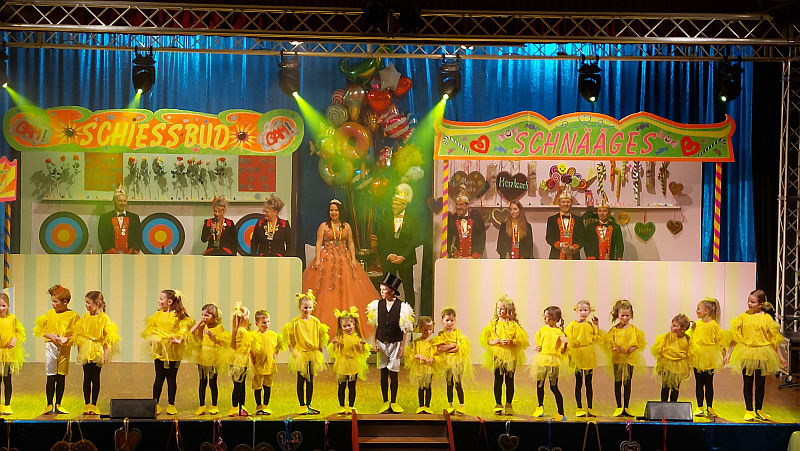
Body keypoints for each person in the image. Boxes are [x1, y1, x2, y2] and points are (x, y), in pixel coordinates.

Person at [302, 199, 378, 335]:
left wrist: (353, 259)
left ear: (340, 211)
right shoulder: (324, 226)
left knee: (348, 286)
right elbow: (319, 243)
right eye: (331, 210)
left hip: (344, 258)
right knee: (327, 287)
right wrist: (318, 259)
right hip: (327, 258)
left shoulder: (346, 226)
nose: (333, 212)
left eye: (336, 210)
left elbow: (351, 243)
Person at [724, 289, 786, 421]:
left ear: (760, 304)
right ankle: (749, 410)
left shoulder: (767, 318)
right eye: (748, 301)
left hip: (762, 353)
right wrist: (729, 353)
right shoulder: (742, 317)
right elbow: (735, 337)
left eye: (752, 302)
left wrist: (780, 357)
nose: (749, 304)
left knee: (760, 384)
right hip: (747, 352)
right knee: (747, 383)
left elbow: (774, 339)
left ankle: (759, 409)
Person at [366, 273, 415, 414]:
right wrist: (375, 342)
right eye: (381, 290)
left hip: (395, 343)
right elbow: (375, 325)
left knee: (393, 373)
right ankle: (385, 400)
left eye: (384, 290)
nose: (381, 292)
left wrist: (402, 347)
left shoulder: (402, 307)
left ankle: (393, 401)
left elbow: (405, 329)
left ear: (392, 291)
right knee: (383, 372)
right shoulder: (377, 305)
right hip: (382, 342)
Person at [142, 289, 193, 415]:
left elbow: (184, 329)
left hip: (173, 351)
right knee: (159, 377)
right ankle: (155, 403)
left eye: (161, 299)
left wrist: (178, 339)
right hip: (160, 351)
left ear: (169, 302)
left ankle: (171, 404)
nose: (158, 301)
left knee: (171, 378)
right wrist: (153, 337)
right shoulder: (157, 314)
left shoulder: (178, 315)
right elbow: (152, 327)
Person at [480, 295, 529, 416]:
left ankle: (508, 404)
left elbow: (521, 340)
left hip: (510, 356)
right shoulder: (493, 324)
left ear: (508, 310)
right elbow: (486, 339)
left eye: (502, 309)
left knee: (509, 380)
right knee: (498, 380)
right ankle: (498, 404)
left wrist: (511, 342)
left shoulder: (513, 325)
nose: (499, 311)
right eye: (498, 308)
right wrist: (494, 341)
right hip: (498, 355)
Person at [34, 284, 79, 415]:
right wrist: (51, 336)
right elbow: (41, 330)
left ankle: (58, 403)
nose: (53, 304)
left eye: (55, 302)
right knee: (51, 376)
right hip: (51, 347)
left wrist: (67, 339)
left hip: (64, 349)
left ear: (65, 302)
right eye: (52, 301)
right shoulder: (49, 313)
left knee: (61, 376)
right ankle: (49, 404)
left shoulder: (73, 315)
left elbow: (79, 333)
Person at [282, 290, 329, 415]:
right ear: (299, 307)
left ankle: (308, 404)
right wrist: (292, 351)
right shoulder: (295, 322)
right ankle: (301, 405)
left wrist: (320, 349)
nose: (307, 310)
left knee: (310, 380)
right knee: (301, 380)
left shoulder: (315, 321)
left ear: (312, 308)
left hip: (312, 353)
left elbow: (320, 336)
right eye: (305, 307)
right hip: (300, 354)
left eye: (309, 307)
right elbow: (289, 338)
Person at [74, 291, 120, 415]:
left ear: (97, 304)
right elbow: (79, 335)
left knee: (95, 378)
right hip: (86, 350)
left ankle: (93, 404)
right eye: (86, 302)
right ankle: (86, 403)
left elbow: (108, 337)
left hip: (97, 350)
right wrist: (79, 352)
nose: (86, 305)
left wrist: (106, 353)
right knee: (86, 378)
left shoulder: (104, 318)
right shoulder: (85, 317)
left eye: (88, 303)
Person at [376, 183, 419, 307]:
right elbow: (381, 238)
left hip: (405, 259)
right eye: (393, 203)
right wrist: (388, 255)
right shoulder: (386, 216)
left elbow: (415, 239)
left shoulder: (413, 218)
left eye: (397, 204)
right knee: (388, 288)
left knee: (408, 289)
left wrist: (403, 257)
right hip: (389, 259)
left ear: (404, 205)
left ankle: (409, 315)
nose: (394, 206)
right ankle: (387, 313)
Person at [605, 299, 646, 417]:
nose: (625, 318)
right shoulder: (614, 330)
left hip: (629, 359)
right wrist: (617, 348)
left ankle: (626, 406)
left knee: (627, 382)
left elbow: (640, 342)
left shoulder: (633, 329)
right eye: (622, 315)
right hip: (618, 359)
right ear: (618, 315)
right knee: (618, 382)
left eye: (627, 315)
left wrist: (633, 348)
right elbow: (608, 343)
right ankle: (619, 406)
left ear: (631, 315)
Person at [189, 303, 230, 416]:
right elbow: (191, 333)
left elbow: (222, 342)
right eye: (202, 315)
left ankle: (214, 405)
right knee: (202, 382)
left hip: (213, 357)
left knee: (212, 382)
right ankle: (201, 405)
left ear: (214, 316)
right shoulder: (202, 326)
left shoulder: (219, 327)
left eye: (206, 315)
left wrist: (211, 335)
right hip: (203, 357)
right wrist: (199, 322)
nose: (204, 317)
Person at [689, 298, 727, 418]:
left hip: (710, 356)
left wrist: (724, 355)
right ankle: (700, 407)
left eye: (698, 308)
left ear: (706, 311)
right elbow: (690, 337)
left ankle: (709, 407)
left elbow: (721, 341)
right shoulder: (697, 324)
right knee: (699, 383)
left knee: (709, 383)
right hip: (698, 356)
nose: (696, 311)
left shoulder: (714, 325)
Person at [328, 306, 370, 415]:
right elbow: (335, 350)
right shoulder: (340, 337)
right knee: (341, 386)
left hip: (353, 364)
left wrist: (362, 345)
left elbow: (361, 352)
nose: (347, 328)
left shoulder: (357, 338)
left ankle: (351, 406)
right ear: (341, 327)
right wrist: (335, 343)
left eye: (349, 325)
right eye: (344, 326)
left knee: (352, 387)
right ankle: (341, 406)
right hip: (342, 364)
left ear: (354, 324)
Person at [565, 300, 601, 417]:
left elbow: (596, 338)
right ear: (576, 311)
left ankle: (590, 407)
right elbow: (569, 341)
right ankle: (579, 407)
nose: (583, 312)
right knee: (579, 382)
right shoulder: (572, 325)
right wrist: (570, 357)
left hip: (588, 355)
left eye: (585, 310)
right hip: (577, 355)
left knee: (589, 383)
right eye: (580, 310)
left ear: (589, 311)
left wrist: (597, 325)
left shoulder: (590, 325)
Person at [532, 306, 567, 420]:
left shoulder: (559, 332)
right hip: (542, 359)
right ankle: (540, 406)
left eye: (548, 317)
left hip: (553, 361)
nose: (545, 319)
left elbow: (562, 351)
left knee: (553, 386)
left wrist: (565, 344)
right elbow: (539, 344)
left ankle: (561, 412)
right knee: (539, 385)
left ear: (555, 319)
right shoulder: (542, 330)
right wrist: (538, 347)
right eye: (545, 316)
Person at [434, 307, 472, 415]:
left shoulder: (457, 333)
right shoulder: (441, 334)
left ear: (454, 320)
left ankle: (461, 405)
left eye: (451, 320)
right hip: (446, 362)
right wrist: (451, 346)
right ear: (442, 320)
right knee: (449, 383)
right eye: (447, 320)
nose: (449, 323)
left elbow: (459, 347)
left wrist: (449, 348)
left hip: (457, 361)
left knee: (458, 383)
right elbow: (439, 348)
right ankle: (450, 405)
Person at [651, 314, 692, 403]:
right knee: (665, 386)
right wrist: (659, 366)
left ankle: (673, 405)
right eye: (672, 325)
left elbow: (689, 355)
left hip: (679, 366)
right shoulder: (666, 337)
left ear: (683, 329)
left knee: (675, 387)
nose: (672, 327)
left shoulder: (687, 340)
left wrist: (688, 368)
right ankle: (663, 404)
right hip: (667, 364)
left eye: (675, 326)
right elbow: (660, 351)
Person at [251, 310, 283, 415]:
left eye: (268, 322)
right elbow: (251, 350)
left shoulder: (273, 334)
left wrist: (275, 353)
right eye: (263, 322)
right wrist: (252, 360)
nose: (266, 324)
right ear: (257, 323)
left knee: (267, 386)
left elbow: (278, 345)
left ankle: (266, 406)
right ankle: (259, 407)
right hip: (258, 366)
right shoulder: (254, 336)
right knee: (257, 387)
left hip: (269, 365)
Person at [0, 292, 25, 415]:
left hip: (8, 353)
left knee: (7, 380)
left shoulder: (12, 318)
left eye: (3, 306)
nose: (1, 308)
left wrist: (15, 338)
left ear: (8, 306)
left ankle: (7, 404)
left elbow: (17, 331)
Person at [98, 186, 142, 254]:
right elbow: (103, 238)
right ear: (113, 202)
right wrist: (113, 252)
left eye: (124, 201)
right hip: (110, 256)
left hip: (130, 256)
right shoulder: (104, 218)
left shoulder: (134, 218)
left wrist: (132, 251)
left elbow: (138, 237)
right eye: (120, 201)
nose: (122, 203)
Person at [545, 186, 585, 260]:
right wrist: (560, 245)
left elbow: (582, 238)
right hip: (556, 256)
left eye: (568, 202)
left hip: (574, 256)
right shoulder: (552, 220)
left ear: (571, 203)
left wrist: (573, 247)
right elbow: (549, 237)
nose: (566, 204)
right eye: (563, 202)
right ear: (559, 203)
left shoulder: (578, 220)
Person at [229, 304, 254, 416]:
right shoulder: (241, 331)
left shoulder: (242, 330)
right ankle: (235, 407)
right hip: (238, 361)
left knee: (241, 385)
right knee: (238, 386)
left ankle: (241, 407)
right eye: (246, 315)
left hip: (243, 361)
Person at [447, 190, 486, 259]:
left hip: (473, 259)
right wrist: (456, 255)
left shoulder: (477, 219)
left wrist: (474, 256)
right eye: (456, 204)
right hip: (457, 259)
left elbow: (481, 239)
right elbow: (449, 240)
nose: (458, 207)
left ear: (467, 205)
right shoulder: (451, 220)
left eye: (461, 204)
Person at [583, 196, 624, 260]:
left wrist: (618, 258)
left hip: (611, 260)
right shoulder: (590, 227)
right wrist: (590, 257)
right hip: (595, 260)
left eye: (604, 211)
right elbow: (587, 244)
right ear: (597, 212)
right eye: (600, 211)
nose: (602, 213)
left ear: (609, 213)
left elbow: (619, 245)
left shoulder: (616, 227)